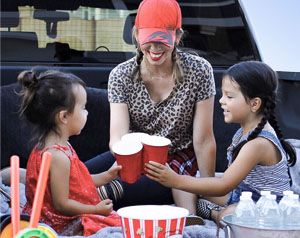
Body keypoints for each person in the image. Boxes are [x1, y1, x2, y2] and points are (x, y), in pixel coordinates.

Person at [85, 0, 216, 215]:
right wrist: (129, 166)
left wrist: (208, 188)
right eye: (148, 40)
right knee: (76, 175)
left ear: (177, 37)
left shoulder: (199, 70)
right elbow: (117, 137)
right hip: (132, 153)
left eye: (162, 41)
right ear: (136, 35)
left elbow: (203, 140)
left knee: (108, 192)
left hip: (176, 159)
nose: (155, 49)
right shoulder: (121, 75)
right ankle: (30, 176)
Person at [145, 61, 296, 224]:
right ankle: (190, 216)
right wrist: (182, 180)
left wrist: (174, 180)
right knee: (188, 178)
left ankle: (215, 214)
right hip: (242, 194)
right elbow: (229, 183)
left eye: (229, 96)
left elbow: (224, 185)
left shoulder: (258, 144)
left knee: (230, 214)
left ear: (254, 104)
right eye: (223, 95)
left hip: (265, 207)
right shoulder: (243, 132)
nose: (221, 101)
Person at [18, 70, 121, 236]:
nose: (87, 113)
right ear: (64, 116)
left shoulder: (56, 145)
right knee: (117, 224)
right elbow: (61, 204)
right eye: (83, 108)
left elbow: (78, 184)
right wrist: (95, 209)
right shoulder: (57, 156)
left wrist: (108, 175)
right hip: (59, 224)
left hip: (59, 216)